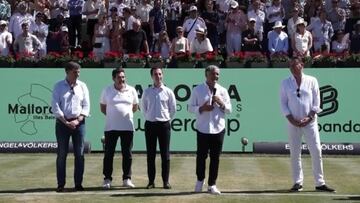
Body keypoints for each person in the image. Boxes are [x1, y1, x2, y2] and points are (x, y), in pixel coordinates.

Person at [280, 57, 335, 193]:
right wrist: (291, 119)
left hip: (310, 123)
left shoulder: (312, 80)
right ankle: (297, 182)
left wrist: (309, 117)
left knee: (316, 151)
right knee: (295, 153)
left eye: (295, 65)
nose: (292, 68)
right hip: (293, 123)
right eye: (290, 66)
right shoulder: (285, 83)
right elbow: (283, 103)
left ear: (302, 65)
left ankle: (320, 183)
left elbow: (317, 103)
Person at [188, 65, 232, 195]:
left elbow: (229, 109)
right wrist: (201, 108)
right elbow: (190, 107)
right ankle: (200, 181)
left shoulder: (223, 91)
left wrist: (221, 103)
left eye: (217, 74)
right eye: (213, 74)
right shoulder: (198, 90)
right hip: (203, 129)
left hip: (218, 129)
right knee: (201, 156)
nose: (215, 77)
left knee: (215, 158)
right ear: (206, 75)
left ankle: (212, 184)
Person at [51, 61, 90, 192]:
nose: (77, 74)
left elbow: (86, 105)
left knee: (79, 154)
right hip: (62, 124)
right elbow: (55, 106)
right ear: (67, 72)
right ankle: (60, 184)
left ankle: (78, 184)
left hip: (79, 124)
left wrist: (78, 120)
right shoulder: (58, 86)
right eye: (75, 72)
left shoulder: (82, 86)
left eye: (79, 71)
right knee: (62, 154)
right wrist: (65, 121)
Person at [100, 68, 138, 189]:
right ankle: (107, 179)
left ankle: (127, 178)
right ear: (113, 78)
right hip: (111, 128)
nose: (122, 79)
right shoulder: (107, 90)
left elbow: (135, 107)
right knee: (108, 154)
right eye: (119, 77)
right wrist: (114, 116)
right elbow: (103, 107)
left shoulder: (131, 90)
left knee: (127, 154)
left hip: (127, 127)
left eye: (123, 77)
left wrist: (122, 116)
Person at [141, 67, 176, 189]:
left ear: (163, 75)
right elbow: (143, 108)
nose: (158, 76)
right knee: (150, 155)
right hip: (150, 125)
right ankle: (151, 181)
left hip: (164, 125)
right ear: (152, 76)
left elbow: (173, 109)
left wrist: (164, 118)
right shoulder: (147, 91)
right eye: (155, 74)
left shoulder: (168, 91)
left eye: (160, 74)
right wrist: (150, 118)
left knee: (165, 155)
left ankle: (165, 181)